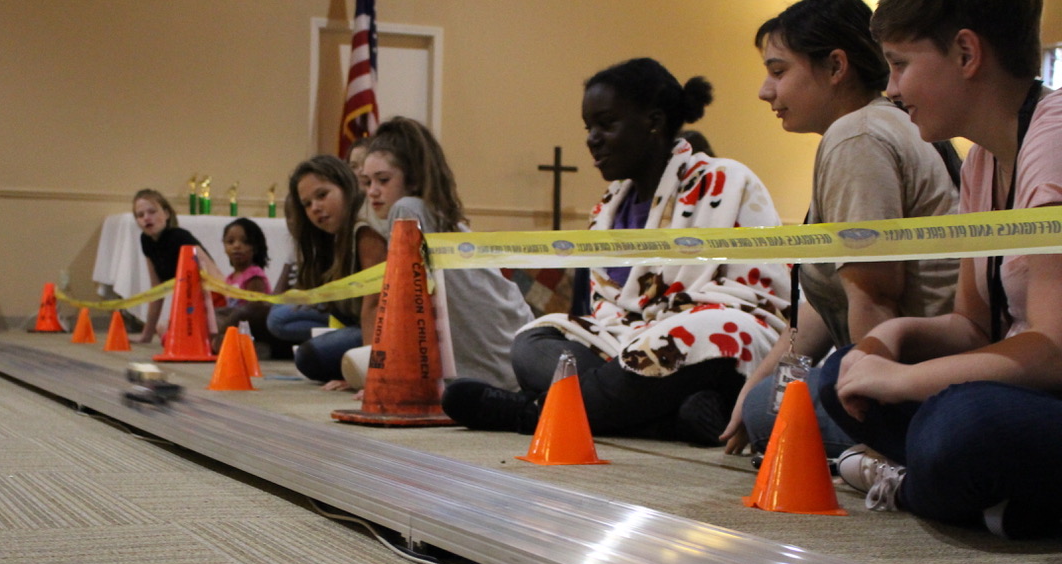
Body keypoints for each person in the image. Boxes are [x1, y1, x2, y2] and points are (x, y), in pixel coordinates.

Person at [442, 58, 790, 443]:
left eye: (606, 124)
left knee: (697, 332)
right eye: (588, 128)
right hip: (625, 342)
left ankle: (530, 413)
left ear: (654, 122)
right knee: (532, 343)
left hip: (710, 337)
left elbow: (760, 295)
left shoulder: (726, 179)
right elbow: (607, 311)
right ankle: (670, 420)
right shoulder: (608, 206)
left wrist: (666, 324)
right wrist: (637, 338)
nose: (592, 139)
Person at [817, 0, 1062, 538]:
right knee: (841, 376)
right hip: (1024, 395)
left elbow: (1052, 350)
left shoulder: (1054, 140)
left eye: (900, 64)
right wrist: (895, 336)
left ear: (967, 54)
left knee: (963, 422)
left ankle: (914, 484)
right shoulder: (981, 162)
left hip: (1038, 390)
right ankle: (988, 500)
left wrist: (904, 379)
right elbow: (973, 327)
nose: (891, 88)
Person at [722, 0, 960, 458]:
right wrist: (758, 382)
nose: (765, 91)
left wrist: (878, 436)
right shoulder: (872, 126)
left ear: (835, 66)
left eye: (778, 71)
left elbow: (875, 296)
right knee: (760, 399)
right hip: (927, 369)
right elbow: (825, 301)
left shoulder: (858, 136)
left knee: (765, 412)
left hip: (923, 381)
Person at [355, 116, 533, 390]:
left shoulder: (406, 209)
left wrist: (384, 381)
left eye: (383, 180)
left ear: (413, 179)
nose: (373, 192)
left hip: (488, 370)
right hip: (517, 353)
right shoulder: (443, 217)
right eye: (367, 182)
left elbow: (400, 306)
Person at [284, 154, 387, 388]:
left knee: (309, 355)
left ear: (345, 188)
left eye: (322, 195)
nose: (315, 208)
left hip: (389, 330)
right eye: (307, 204)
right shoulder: (334, 236)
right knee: (283, 318)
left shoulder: (365, 231)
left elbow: (375, 303)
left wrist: (367, 373)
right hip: (358, 325)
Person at [131, 188, 226, 345]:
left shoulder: (179, 237)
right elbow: (157, 288)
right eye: (140, 215)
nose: (146, 218)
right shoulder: (146, 240)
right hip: (189, 302)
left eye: (152, 212)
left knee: (179, 336)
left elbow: (213, 273)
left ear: (166, 214)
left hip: (210, 300)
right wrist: (146, 335)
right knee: (162, 328)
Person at [214, 217, 272, 351]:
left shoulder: (254, 274)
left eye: (245, 242)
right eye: (230, 241)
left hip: (249, 324)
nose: (236, 246)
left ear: (255, 248)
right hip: (234, 322)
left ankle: (250, 346)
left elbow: (254, 309)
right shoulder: (230, 278)